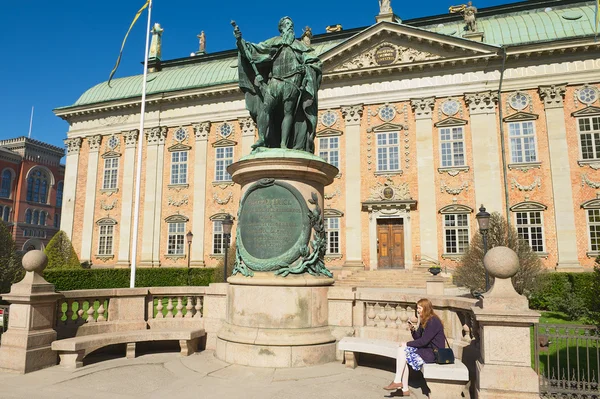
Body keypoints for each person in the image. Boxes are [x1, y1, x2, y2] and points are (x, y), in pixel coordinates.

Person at [233, 17, 322, 153]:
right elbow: (254, 50)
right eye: (287, 25)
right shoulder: (274, 42)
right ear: (281, 28)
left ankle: (283, 144)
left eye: (291, 25)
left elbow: (313, 62)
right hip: (275, 81)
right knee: (265, 108)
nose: (290, 27)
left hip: (292, 83)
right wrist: (240, 41)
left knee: (289, 113)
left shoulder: (300, 46)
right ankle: (262, 138)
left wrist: (306, 69)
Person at [383, 298, 447, 395]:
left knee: (403, 351)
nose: (418, 310)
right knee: (401, 351)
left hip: (434, 353)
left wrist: (407, 344)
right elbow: (418, 338)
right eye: (417, 308)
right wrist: (412, 329)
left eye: (420, 308)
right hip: (426, 350)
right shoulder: (424, 320)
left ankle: (400, 384)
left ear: (426, 308)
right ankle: (401, 386)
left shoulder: (433, 321)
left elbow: (424, 341)